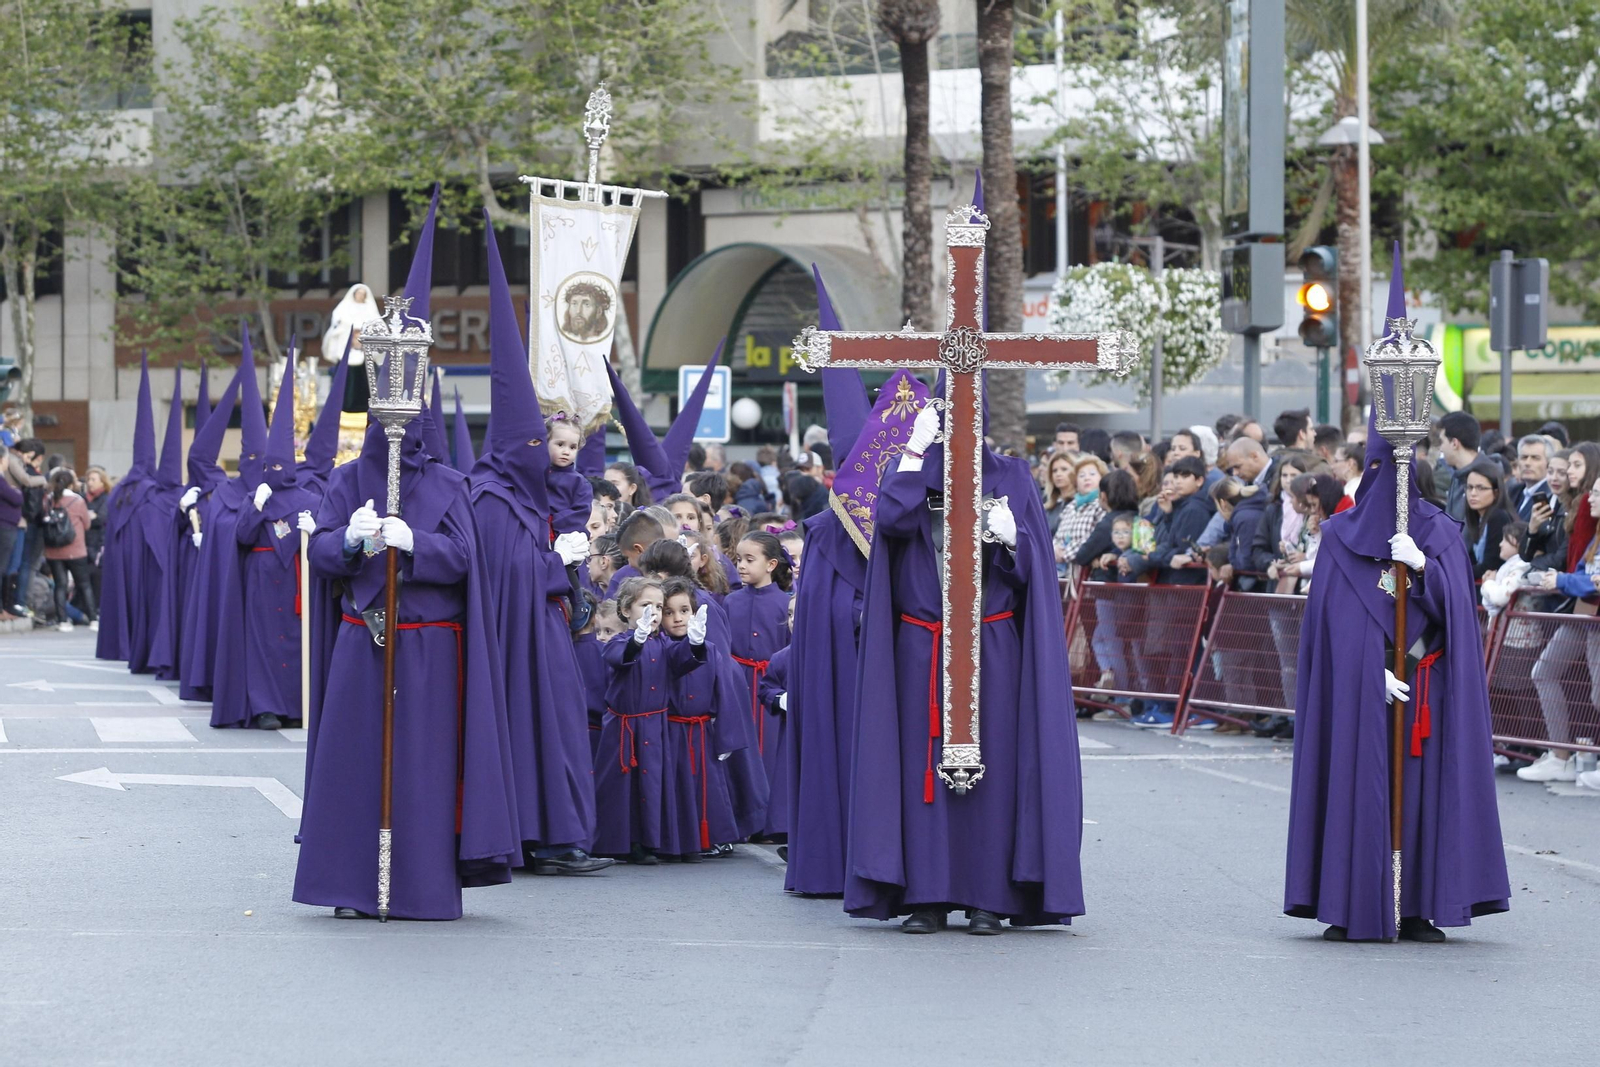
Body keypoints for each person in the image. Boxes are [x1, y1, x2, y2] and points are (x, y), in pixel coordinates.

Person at [295, 191, 522, 920]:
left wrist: (412, 542)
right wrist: (355, 539)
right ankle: (351, 884)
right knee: (357, 770)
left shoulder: (451, 484)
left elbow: (463, 559)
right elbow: (326, 551)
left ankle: (416, 885)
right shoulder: (348, 479)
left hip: (430, 652)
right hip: (364, 642)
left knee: (421, 774)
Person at [1286, 253, 1509, 942]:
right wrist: (1365, 670)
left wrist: (1432, 572)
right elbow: (1327, 629)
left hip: (1426, 685)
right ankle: (1352, 896)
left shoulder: (1439, 532)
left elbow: (1460, 624)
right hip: (1370, 691)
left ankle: (1419, 902)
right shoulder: (1344, 536)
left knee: (1423, 794)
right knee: (1360, 787)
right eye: (1378, 467)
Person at [846, 399, 1084, 934]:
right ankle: (926, 895)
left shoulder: (1012, 475)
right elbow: (890, 521)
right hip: (922, 646)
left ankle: (989, 897)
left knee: (996, 769)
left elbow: (1034, 572)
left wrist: (1013, 540)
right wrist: (912, 452)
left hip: (992, 641)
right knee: (919, 767)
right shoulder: (908, 471)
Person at [469, 224, 610, 875]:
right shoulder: (494, 501)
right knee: (539, 731)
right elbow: (517, 572)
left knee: (556, 729)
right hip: (518, 638)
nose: (545, 457)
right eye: (536, 446)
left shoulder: (529, 497)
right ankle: (544, 837)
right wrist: (562, 561)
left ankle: (558, 832)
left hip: (544, 631)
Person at [590, 577, 709, 863]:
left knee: (653, 784)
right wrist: (636, 640)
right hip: (624, 727)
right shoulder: (620, 640)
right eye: (646, 605)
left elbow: (682, 661)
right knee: (622, 787)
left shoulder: (663, 643)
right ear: (626, 610)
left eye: (658, 606)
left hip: (655, 726)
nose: (653, 613)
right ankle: (621, 842)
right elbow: (618, 657)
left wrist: (695, 643)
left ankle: (652, 840)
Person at [231, 356, 318, 730]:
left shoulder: (310, 499)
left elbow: (325, 541)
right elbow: (242, 537)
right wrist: (256, 506)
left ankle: (298, 704)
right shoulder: (256, 496)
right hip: (262, 578)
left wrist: (314, 531)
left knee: (296, 641)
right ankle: (266, 706)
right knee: (263, 643)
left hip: (296, 579)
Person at [1522, 475, 1600, 785]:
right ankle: (1560, 756)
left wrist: (1563, 581)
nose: (1588, 499)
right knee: (1543, 670)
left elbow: (1592, 581)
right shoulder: (1594, 534)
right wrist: (1565, 579)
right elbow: (1585, 574)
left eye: (1595, 493)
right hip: (1583, 614)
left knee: (1598, 696)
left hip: (1592, 617)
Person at [726, 530, 793, 840]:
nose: (741, 565)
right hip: (739, 683)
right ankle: (743, 818)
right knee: (741, 748)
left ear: (771, 564)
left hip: (769, 686)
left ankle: (772, 821)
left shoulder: (785, 603)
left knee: (771, 751)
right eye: (738, 559)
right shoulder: (730, 601)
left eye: (750, 560)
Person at [41, 468, 96, 631]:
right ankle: (93, 618)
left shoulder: (48, 500)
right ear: (71, 484)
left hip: (53, 550)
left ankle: (62, 620)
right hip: (75, 550)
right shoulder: (77, 501)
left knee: (60, 584)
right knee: (84, 584)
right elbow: (87, 524)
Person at [1052, 455, 1108, 577]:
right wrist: (1054, 550)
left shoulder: (1102, 505)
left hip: (1085, 571)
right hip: (1062, 571)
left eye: (1092, 474)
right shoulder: (1070, 506)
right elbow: (1058, 536)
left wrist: (1066, 554)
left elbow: (1093, 538)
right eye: (1081, 475)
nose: (1087, 478)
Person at [1461, 458, 1512, 581]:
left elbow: (1490, 565)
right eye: (1470, 487)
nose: (1473, 493)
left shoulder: (1499, 517)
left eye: (1481, 488)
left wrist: (1456, 574)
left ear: (1496, 492)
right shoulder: (1478, 518)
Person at [1436, 410, 1482, 521]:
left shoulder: (1485, 478)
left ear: (1454, 443)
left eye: (1442, 442)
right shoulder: (1458, 475)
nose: (1441, 448)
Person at [1509, 435, 1552, 521]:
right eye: (1524, 457)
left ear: (1548, 463)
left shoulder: (1551, 496)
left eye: (1535, 458)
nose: (1527, 463)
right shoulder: (1513, 492)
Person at [1041, 452, 1076, 536]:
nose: (1058, 474)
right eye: (1054, 471)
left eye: (1064, 469)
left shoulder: (1079, 503)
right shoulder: (1048, 507)